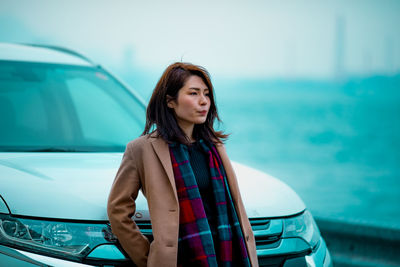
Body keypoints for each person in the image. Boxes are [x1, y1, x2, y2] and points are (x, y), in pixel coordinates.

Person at [107, 62, 258, 267]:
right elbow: (118, 210)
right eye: (194, 93)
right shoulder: (142, 149)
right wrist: (149, 257)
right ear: (170, 101)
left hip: (226, 255)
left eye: (206, 94)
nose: (204, 101)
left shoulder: (214, 147)